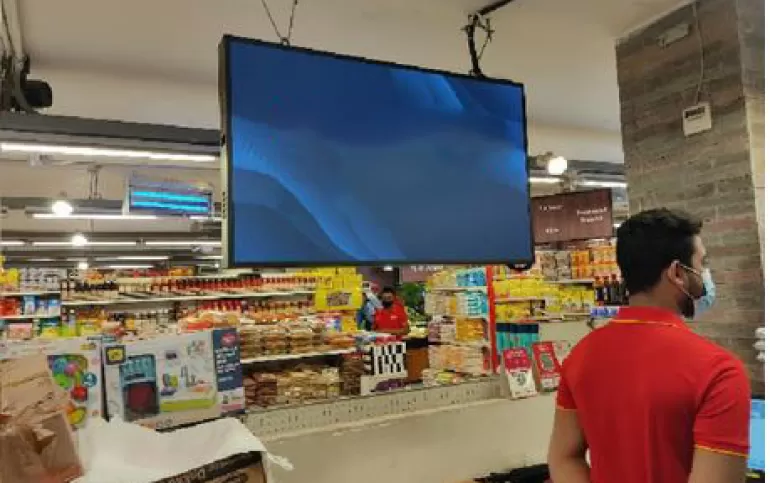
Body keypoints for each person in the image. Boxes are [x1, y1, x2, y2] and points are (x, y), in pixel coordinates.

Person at [548, 208, 750, 483]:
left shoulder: (581, 356)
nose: (705, 276)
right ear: (677, 273)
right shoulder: (719, 371)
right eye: (701, 264)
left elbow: (564, 458)